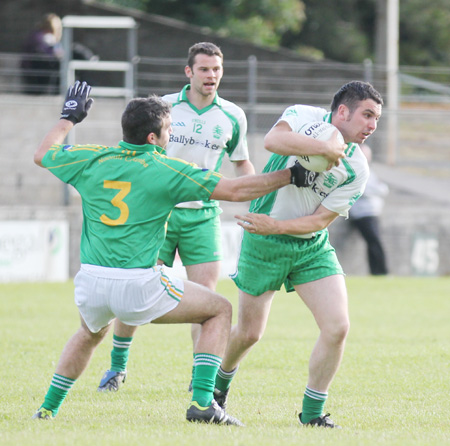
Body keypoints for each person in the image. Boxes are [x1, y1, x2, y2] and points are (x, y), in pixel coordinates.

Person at [31, 80, 315, 424]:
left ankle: (47, 409)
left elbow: (42, 155)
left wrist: (68, 120)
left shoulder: (92, 158)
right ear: (153, 137)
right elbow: (236, 190)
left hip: (90, 282)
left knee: (89, 334)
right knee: (219, 311)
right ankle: (202, 404)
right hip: (137, 284)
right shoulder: (166, 169)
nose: (171, 137)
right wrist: (291, 175)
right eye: (169, 130)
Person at [212, 80, 384, 429]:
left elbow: (320, 219)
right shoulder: (305, 116)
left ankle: (312, 413)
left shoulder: (357, 168)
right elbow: (272, 141)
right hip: (264, 242)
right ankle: (217, 389)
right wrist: (325, 148)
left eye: (377, 119)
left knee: (337, 327)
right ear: (342, 111)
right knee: (248, 333)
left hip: (309, 244)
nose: (372, 126)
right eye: (367, 115)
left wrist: (277, 226)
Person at [98, 42, 256, 392]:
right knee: (134, 288)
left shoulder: (232, 116)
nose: (211, 75)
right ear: (189, 72)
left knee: (207, 300)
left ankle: (200, 383)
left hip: (203, 216)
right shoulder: (165, 107)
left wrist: (254, 196)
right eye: (204, 69)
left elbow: (241, 161)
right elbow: (137, 154)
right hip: (159, 214)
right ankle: (116, 368)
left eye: (216, 69)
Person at [349, 144, 389, 275]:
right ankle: (381, 272)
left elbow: (384, 189)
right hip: (363, 213)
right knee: (375, 242)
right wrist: (375, 189)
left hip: (372, 212)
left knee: (373, 242)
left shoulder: (369, 171)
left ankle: (377, 272)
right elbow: (361, 190)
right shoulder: (356, 170)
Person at [21, 13, 64, 95]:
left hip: (35, 71)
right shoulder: (41, 37)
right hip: (35, 73)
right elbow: (46, 54)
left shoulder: (36, 35)